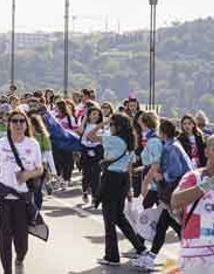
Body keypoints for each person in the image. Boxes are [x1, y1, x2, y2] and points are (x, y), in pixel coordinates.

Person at [84, 112, 148, 265]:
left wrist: (102, 123)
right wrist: (129, 189)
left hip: (111, 179)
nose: (109, 127)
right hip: (123, 180)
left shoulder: (113, 140)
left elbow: (89, 135)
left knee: (109, 219)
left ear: (117, 126)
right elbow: (129, 166)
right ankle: (140, 248)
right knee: (120, 217)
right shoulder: (131, 141)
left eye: (111, 125)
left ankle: (112, 256)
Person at [131, 117, 193, 271]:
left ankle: (188, 256)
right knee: (165, 225)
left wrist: (161, 176)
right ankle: (152, 258)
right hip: (177, 190)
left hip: (175, 191)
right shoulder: (173, 145)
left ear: (163, 133)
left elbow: (175, 171)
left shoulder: (170, 148)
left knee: (174, 226)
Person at [0, 109, 44, 274]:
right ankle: (7, 271)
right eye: (14, 121)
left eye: (22, 121)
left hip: (23, 198)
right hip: (3, 196)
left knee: (22, 242)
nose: (18, 124)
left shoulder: (32, 144)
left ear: (26, 124)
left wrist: (28, 174)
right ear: (9, 124)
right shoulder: (1, 143)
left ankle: (19, 259)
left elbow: (40, 168)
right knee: (4, 239)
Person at [171, 134, 214, 273]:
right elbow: (175, 201)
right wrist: (209, 184)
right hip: (195, 256)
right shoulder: (194, 177)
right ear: (206, 151)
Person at [78, 104, 104, 206]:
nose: (96, 116)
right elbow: (79, 131)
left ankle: (94, 197)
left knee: (96, 175)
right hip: (86, 152)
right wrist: (84, 119)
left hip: (97, 152)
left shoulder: (101, 126)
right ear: (89, 115)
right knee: (86, 174)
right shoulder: (86, 126)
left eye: (98, 114)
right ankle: (85, 191)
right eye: (93, 114)